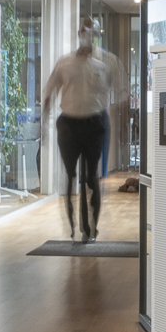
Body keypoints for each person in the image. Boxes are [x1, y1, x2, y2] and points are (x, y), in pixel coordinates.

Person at [41, 18, 125, 241]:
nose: (84, 33)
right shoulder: (65, 63)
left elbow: (119, 91)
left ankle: (91, 229)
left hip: (94, 123)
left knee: (91, 177)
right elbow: (49, 91)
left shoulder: (104, 64)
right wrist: (44, 123)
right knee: (70, 177)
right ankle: (73, 226)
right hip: (69, 124)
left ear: (95, 33)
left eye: (88, 29)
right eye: (81, 29)